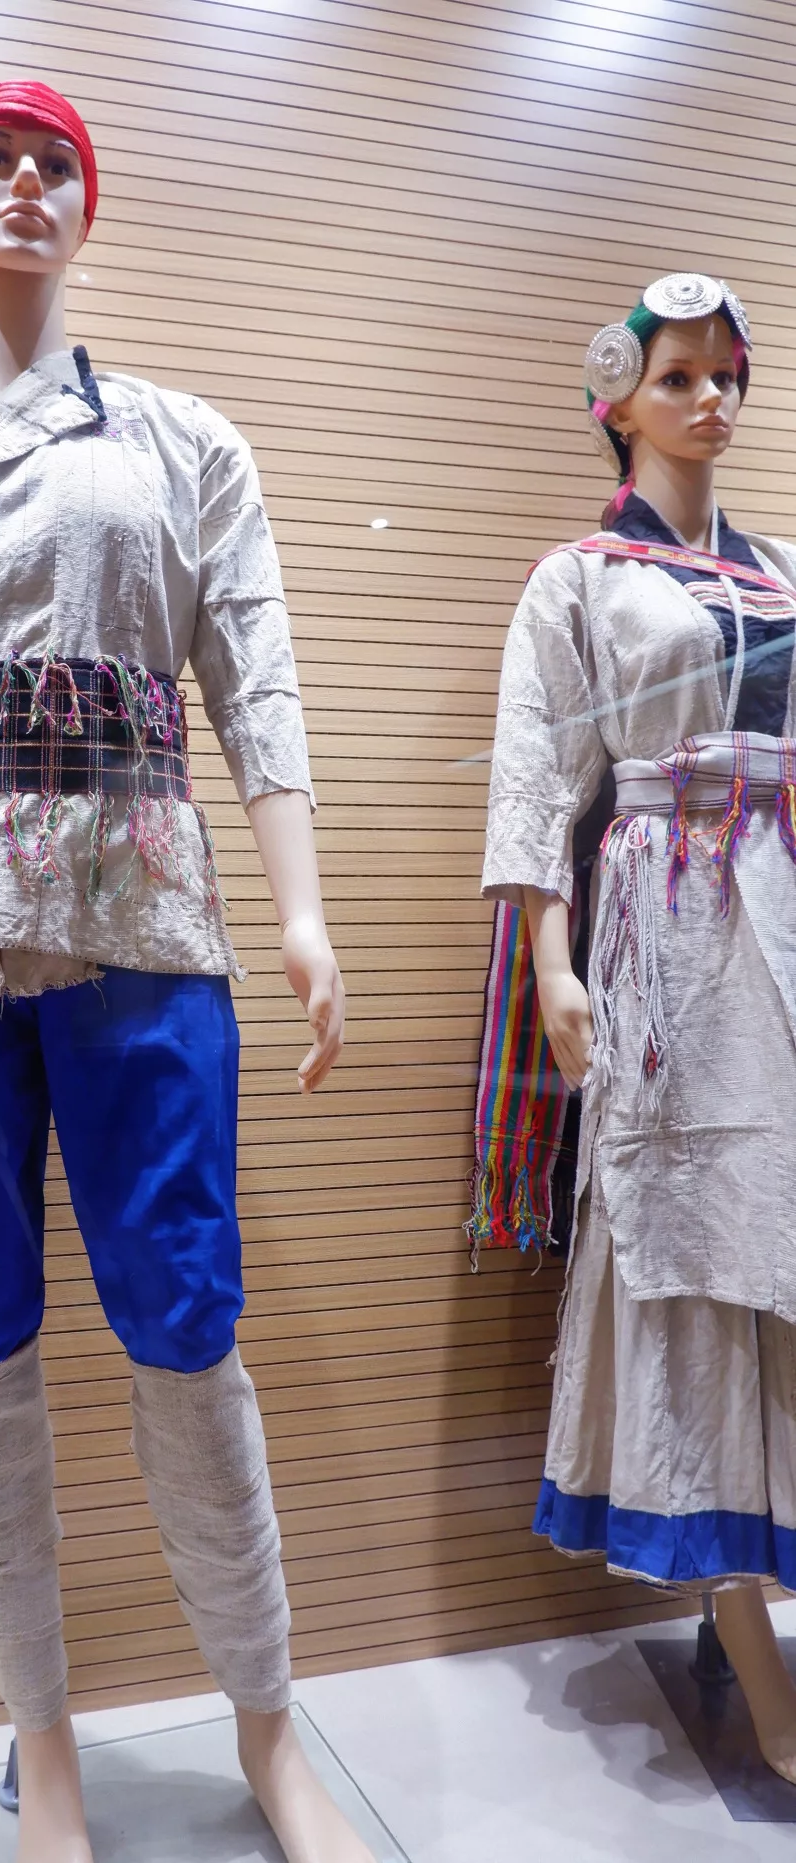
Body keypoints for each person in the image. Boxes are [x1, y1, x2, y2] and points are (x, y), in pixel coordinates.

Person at [0, 79, 370, 1863]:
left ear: (87, 206)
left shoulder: (183, 444)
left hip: (144, 937)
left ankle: (268, 1720)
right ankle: (43, 1745)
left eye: (57, 165)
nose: (27, 184)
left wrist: (303, 910)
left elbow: (254, 680)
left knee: (187, 1330)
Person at [483, 272, 796, 1781]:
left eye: (725, 374)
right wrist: (553, 964)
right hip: (661, 922)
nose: (709, 400)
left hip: (782, 908)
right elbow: (537, 781)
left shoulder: (783, 571)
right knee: (684, 1236)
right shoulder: (578, 580)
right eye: (678, 376)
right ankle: (751, 1652)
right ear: (620, 399)